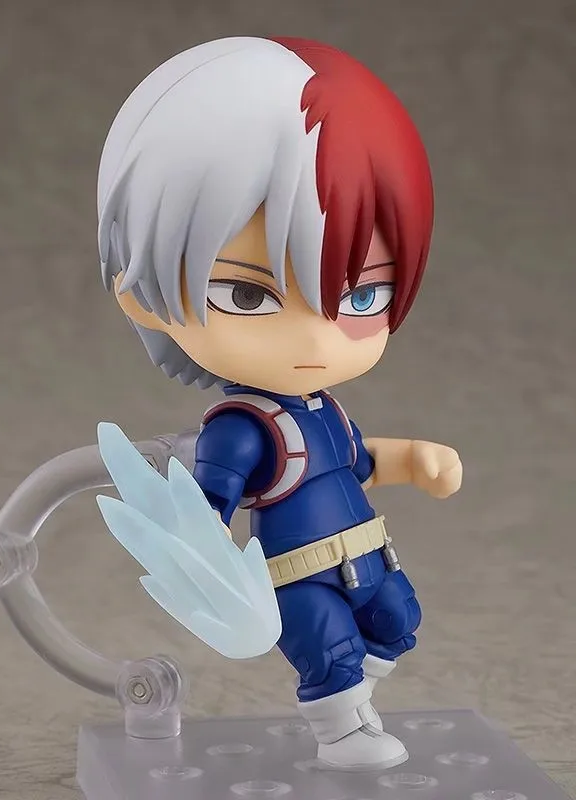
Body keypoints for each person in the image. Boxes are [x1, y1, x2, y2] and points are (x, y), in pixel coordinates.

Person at [97, 35, 462, 769]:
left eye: (361, 295)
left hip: (367, 553)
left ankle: (358, 701)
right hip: (296, 575)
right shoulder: (243, 426)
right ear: (143, 295)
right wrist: (212, 576)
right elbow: (207, 509)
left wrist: (414, 460)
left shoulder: (325, 410)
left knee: (399, 623)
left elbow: (357, 463)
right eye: (246, 294)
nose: (316, 336)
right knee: (328, 650)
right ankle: (343, 726)